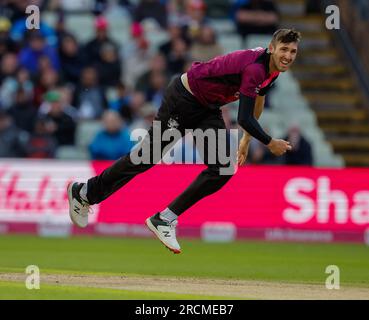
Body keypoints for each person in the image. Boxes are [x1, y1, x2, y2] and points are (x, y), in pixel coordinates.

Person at [67, 29, 300, 254]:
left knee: (223, 168)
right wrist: (269, 142)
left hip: (207, 107)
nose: (288, 56)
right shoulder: (256, 69)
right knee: (145, 158)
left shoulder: (272, 69)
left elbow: (258, 101)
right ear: (271, 48)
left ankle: (164, 219)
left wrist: (246, 141)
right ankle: (84, 192)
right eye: (284, 49)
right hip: (184, 99)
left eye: (292, 51)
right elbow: (244, 117)